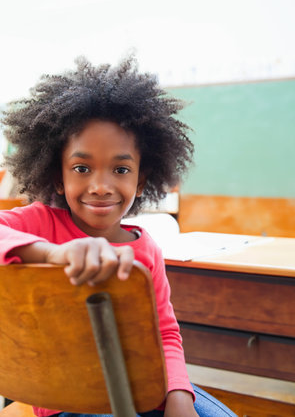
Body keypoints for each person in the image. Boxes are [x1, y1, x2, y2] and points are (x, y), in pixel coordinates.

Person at [0, 56, 236, 417]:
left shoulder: (147, 249)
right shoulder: (37, 223)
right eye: (81, 168)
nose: (99, 186)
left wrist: (178, 394)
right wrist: (51, 254)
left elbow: (166, 335)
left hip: (146, 386)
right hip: (67, 398)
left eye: (121, 169)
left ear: (140, 180)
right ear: (58, 177)